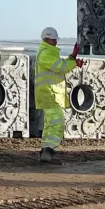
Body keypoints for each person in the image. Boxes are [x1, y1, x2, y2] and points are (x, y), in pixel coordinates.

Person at [34, 26, 82, 165]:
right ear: (47, 39)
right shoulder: (46, 53)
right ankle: (48, 151)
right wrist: (74, 62)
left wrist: (72, 57)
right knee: (57, 123)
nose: (56, 42)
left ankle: (45, 152)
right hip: (50, 94)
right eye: (54, 40)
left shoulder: (47, 52)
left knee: (50, 125)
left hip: (49, 94)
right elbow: (61, 67)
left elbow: (60, 65)